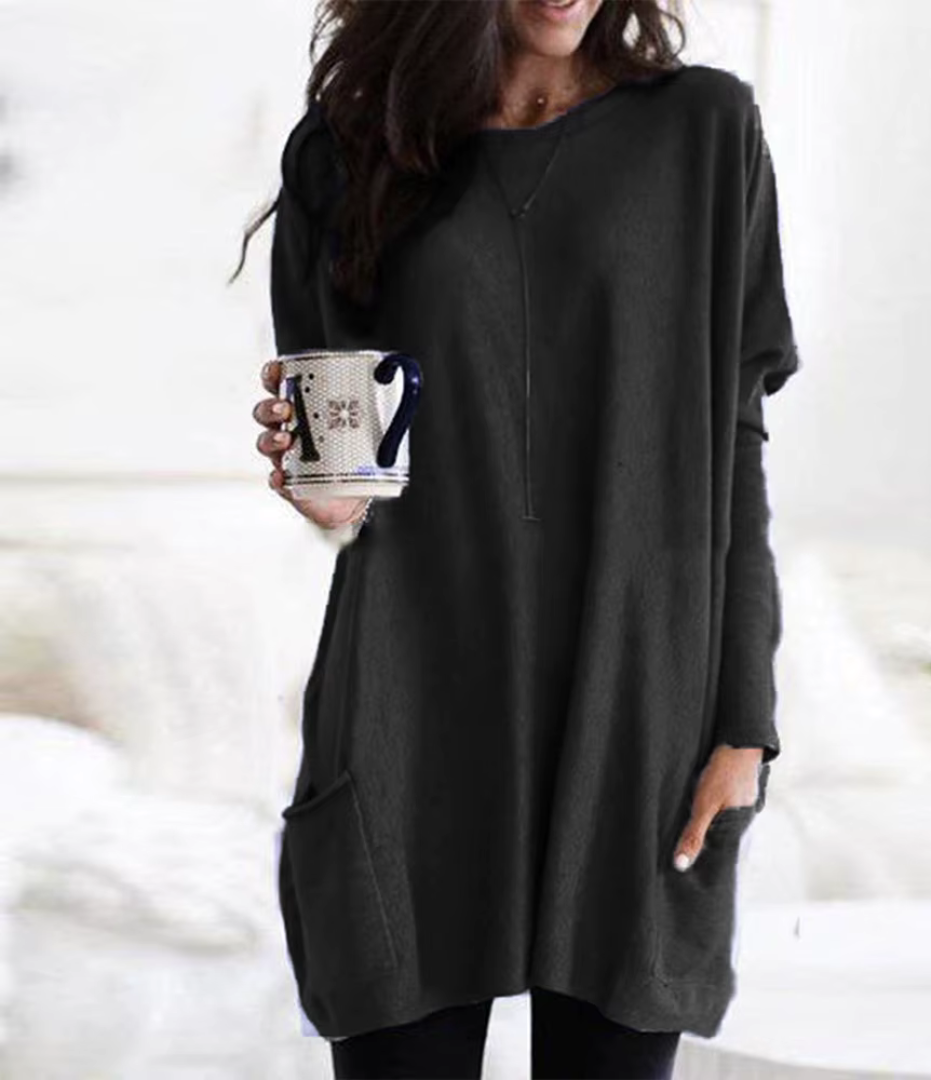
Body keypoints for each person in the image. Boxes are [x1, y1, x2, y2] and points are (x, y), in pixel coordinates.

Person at [238, 1, 801, 1077]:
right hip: (414, 694)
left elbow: (736, 444)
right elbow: (344, 450)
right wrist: (328, 501)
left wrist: (745, 723)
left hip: (638, 701)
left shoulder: (703, 129)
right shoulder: (348, 149)